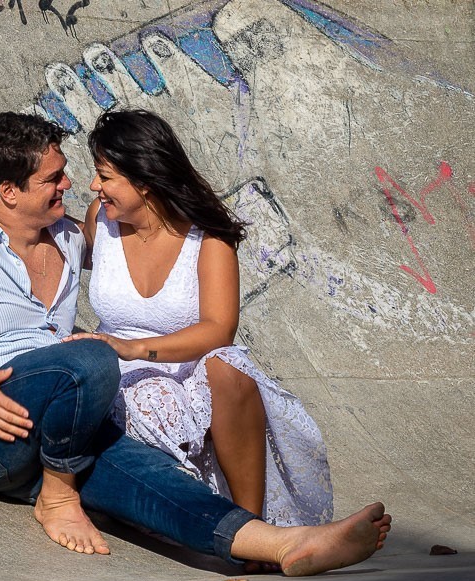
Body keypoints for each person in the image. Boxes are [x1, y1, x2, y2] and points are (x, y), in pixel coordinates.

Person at [0, 110, 388, 575]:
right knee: (92, 356)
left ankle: (283, 546)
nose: (70, 184)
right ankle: (57, 494)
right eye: (53, 178)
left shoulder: (71, 238)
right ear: (10, 191)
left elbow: (152, 256)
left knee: (154, 484)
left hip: (62, 433)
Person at [73, 108, 331, 527]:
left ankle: (250, 527)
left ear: (144, 180)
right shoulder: (99, 220)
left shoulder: (208, 238)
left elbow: (218, 329)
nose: (94, 186)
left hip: (186, 371)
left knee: (229, 366)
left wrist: (135, 347)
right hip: (115, 371)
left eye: (104, 176)